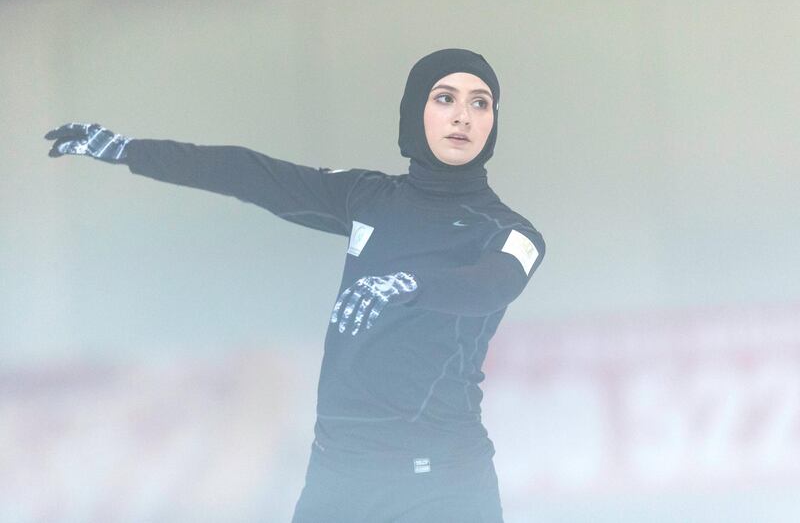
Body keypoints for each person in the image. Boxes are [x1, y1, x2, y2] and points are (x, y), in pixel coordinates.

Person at [45, 48, 545, 522]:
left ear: (493, 122)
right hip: (338, 474)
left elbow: (489, 286)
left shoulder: (510, 233)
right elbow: (251, 174)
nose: (463, 115)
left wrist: (409, 284)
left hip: (443, 483)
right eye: (445, 98)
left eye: (480, 103)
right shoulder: (368, 197)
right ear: (416, 111)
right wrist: (131, 151)